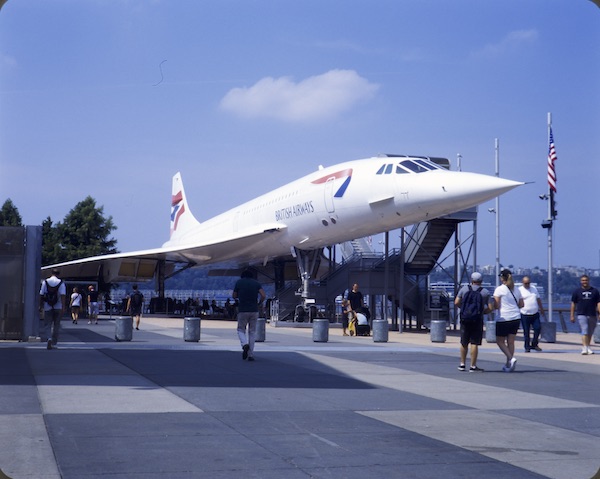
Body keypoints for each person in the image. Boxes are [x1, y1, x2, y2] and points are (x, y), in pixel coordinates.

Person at [454, 272, 492, 372]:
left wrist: (464, 310)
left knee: (464, 342)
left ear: (471, 280)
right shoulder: (485, 292)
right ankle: (473, 366)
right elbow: (491, 307)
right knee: (474, 342)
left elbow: (456, 302)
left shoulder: (464, 289)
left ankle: (462, 364)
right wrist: (482, 312)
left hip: (464, 319)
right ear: (481, 281)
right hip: (477, 320)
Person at [493, 269, 524, 372]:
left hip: (504, 318)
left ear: (502, 278)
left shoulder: (499, 289)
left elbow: (496, 305)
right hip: (515, 317)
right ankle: (508, 364)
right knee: (511, 342)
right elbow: (521, 305)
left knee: (499, 341)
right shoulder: (517, 289)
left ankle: (511, 358)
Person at [232, 269, 266, 361]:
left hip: (243, 309)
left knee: (240, 329)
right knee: (252, 332)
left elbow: (234, 295)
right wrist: (259, 303)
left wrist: (239, 297)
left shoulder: (239, 282)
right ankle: (250, 354)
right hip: (254, 310)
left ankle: (244, 344)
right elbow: (263, 295)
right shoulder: (256, 283)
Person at [570, 275, 600, 355]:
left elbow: (598, 303)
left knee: (590, 331)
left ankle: (588, 346)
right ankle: (584, 347)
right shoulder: (577, 291)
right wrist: (572, 315)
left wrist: (599, 313)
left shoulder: (595, 291)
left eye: (586, 280)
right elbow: (573, 303)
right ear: (580, 281)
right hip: (581, 314)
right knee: (585, 330)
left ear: (588, 281)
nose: (584, 282)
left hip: (592, 314)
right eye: (583, 280)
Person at [39, 269, 67, 350]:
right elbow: (63, 295)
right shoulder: (61, 283)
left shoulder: (45, 282)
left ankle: (49, 338)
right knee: (56, 325)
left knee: (47, 324)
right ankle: (54, 343)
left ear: (51, 273)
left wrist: (40, 306)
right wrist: (63, 307)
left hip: (48, 306)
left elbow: (41, 294)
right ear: (59, 274)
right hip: (58, 306)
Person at [519, 276, 546, 353]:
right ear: (523, 283)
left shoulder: (534, 288)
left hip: (535, 313)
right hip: (525, 314)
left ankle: (534, 344)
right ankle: (527, 346)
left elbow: (538, 299)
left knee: (538, 328)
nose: (527, 285)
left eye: (528, 283)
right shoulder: (520, 290)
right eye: (525, 283)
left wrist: (541, 309)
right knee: (526, 331)